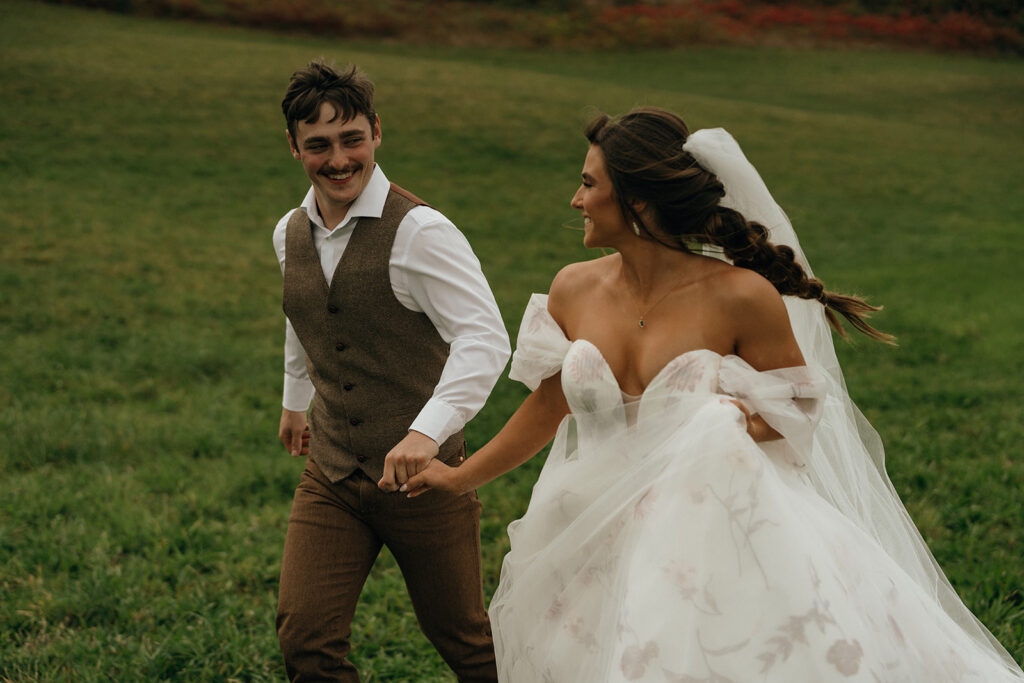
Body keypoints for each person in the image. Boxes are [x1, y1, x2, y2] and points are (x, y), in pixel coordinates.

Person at [402, 107, 1024, 681]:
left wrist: (731, 423)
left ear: (639, 202)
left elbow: (798, 406)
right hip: (586, 526)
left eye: (589, 185)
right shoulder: (572, 289)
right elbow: (548, 404)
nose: (576, 199)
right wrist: (460, 478)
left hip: (707, 531)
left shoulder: (739, 296)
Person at [272, 59, 509, 682]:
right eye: (318, 145)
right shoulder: (289, 233)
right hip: (330, 470)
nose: (339, 159)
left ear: (376, 131)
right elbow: (304, 314)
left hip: (425, 479)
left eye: (352, 139)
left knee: (465, 641)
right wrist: (295, 401)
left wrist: (426, 432)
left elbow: (485, 339)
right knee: (305, 641)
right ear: (294, 147)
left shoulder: (422, 232)